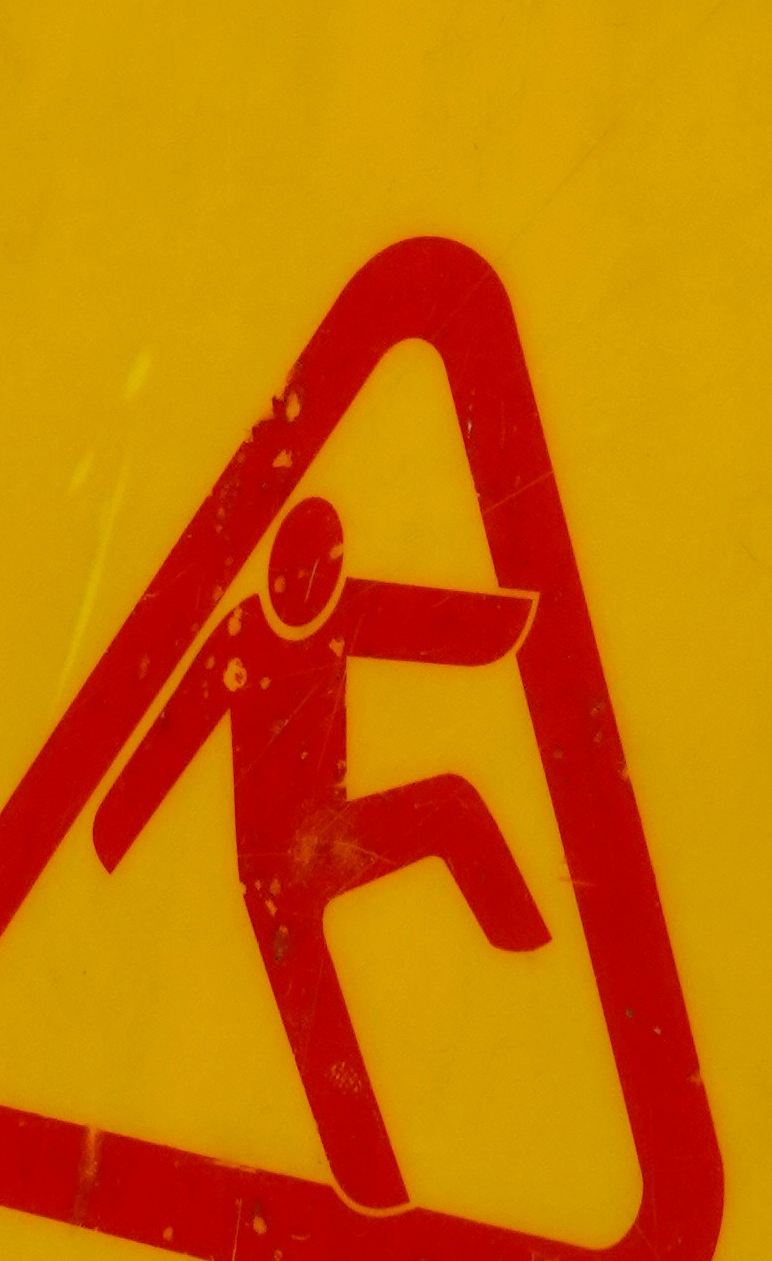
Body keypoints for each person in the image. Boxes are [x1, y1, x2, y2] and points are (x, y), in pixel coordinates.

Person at [93, 485, 546, 1211]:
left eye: (320, 577)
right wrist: (110, 834)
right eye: (297, 576)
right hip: (271, 871)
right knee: (320, 1026)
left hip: (331, 837)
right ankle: (374, 1189)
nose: (306, 591)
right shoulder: (241, 635)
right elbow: (173, 734)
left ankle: (528, 957)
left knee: (451, 807)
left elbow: (440, 625)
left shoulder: (344, 611)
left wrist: (520, 619)